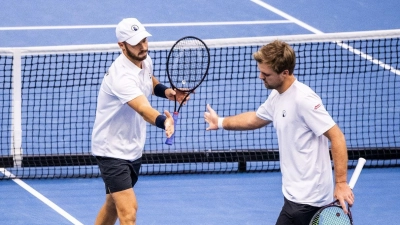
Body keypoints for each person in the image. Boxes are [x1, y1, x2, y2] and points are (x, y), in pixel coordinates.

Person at [204, 40, 354, 225]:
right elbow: (255, 119)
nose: (261, 77)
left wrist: (340, 183)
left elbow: (337, 136)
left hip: (308, 200)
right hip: (293, 195)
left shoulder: (304, 100)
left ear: (285, 73)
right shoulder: (277, 95)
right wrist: (220, 122)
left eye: (266, 74)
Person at [91, 18, 188, 225]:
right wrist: (164, 122)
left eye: (144, 40)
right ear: (121, 45)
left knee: (112, 205)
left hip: (132, 147)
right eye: (136, 43)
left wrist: (169, 93)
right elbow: (143, 109)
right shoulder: (121, 77)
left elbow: (149, 81)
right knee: (129, 212)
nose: (143, 46)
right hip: (111, 150)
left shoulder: (144, 59)